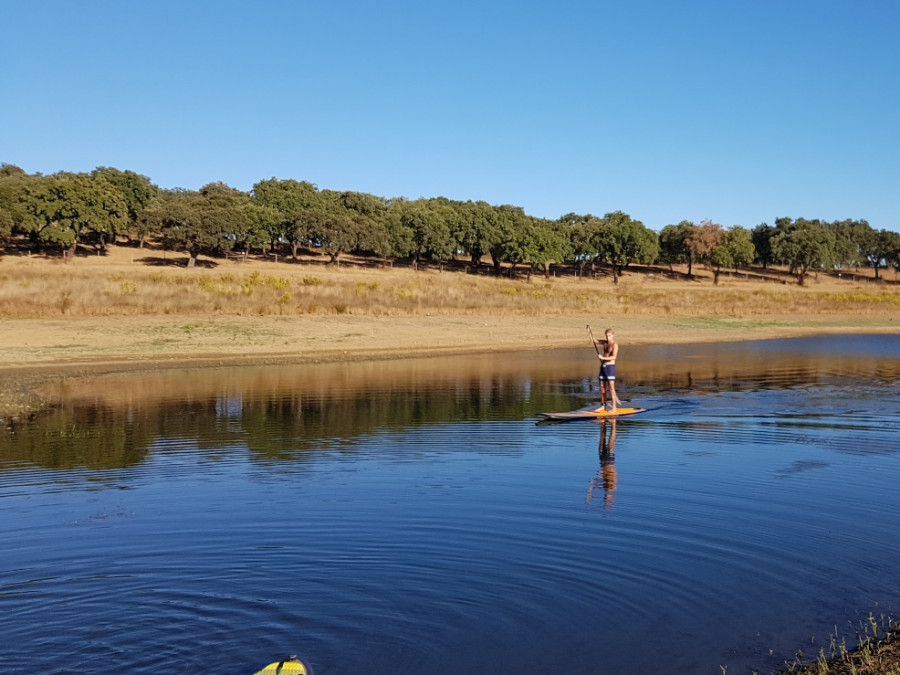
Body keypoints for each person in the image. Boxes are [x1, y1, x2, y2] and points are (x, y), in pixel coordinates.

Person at [594, 328, 621, 412]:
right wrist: (590, 334)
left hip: (610, 367)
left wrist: (603, 357)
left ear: (613, 335)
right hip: (603, 366)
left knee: (611, 388)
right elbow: (596, 341)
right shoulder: (605, 342)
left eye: (609, 336)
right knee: (602, 387)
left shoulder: (615, 345)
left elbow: (614, 357)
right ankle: (603, 406)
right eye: (606, 336)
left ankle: (614, 408)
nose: (608, 337)